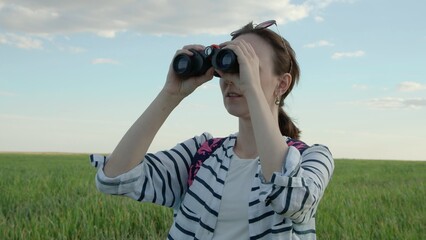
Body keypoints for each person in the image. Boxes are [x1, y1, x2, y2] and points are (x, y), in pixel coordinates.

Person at [90, 20, 334, 240]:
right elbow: (114, 178)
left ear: (282, 84)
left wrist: (252, 89)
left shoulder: (312, 158)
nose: (231, 79)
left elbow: (291, 199)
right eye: (228, 69)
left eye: (247, 67)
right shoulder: (203, 152)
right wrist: (171, 94)